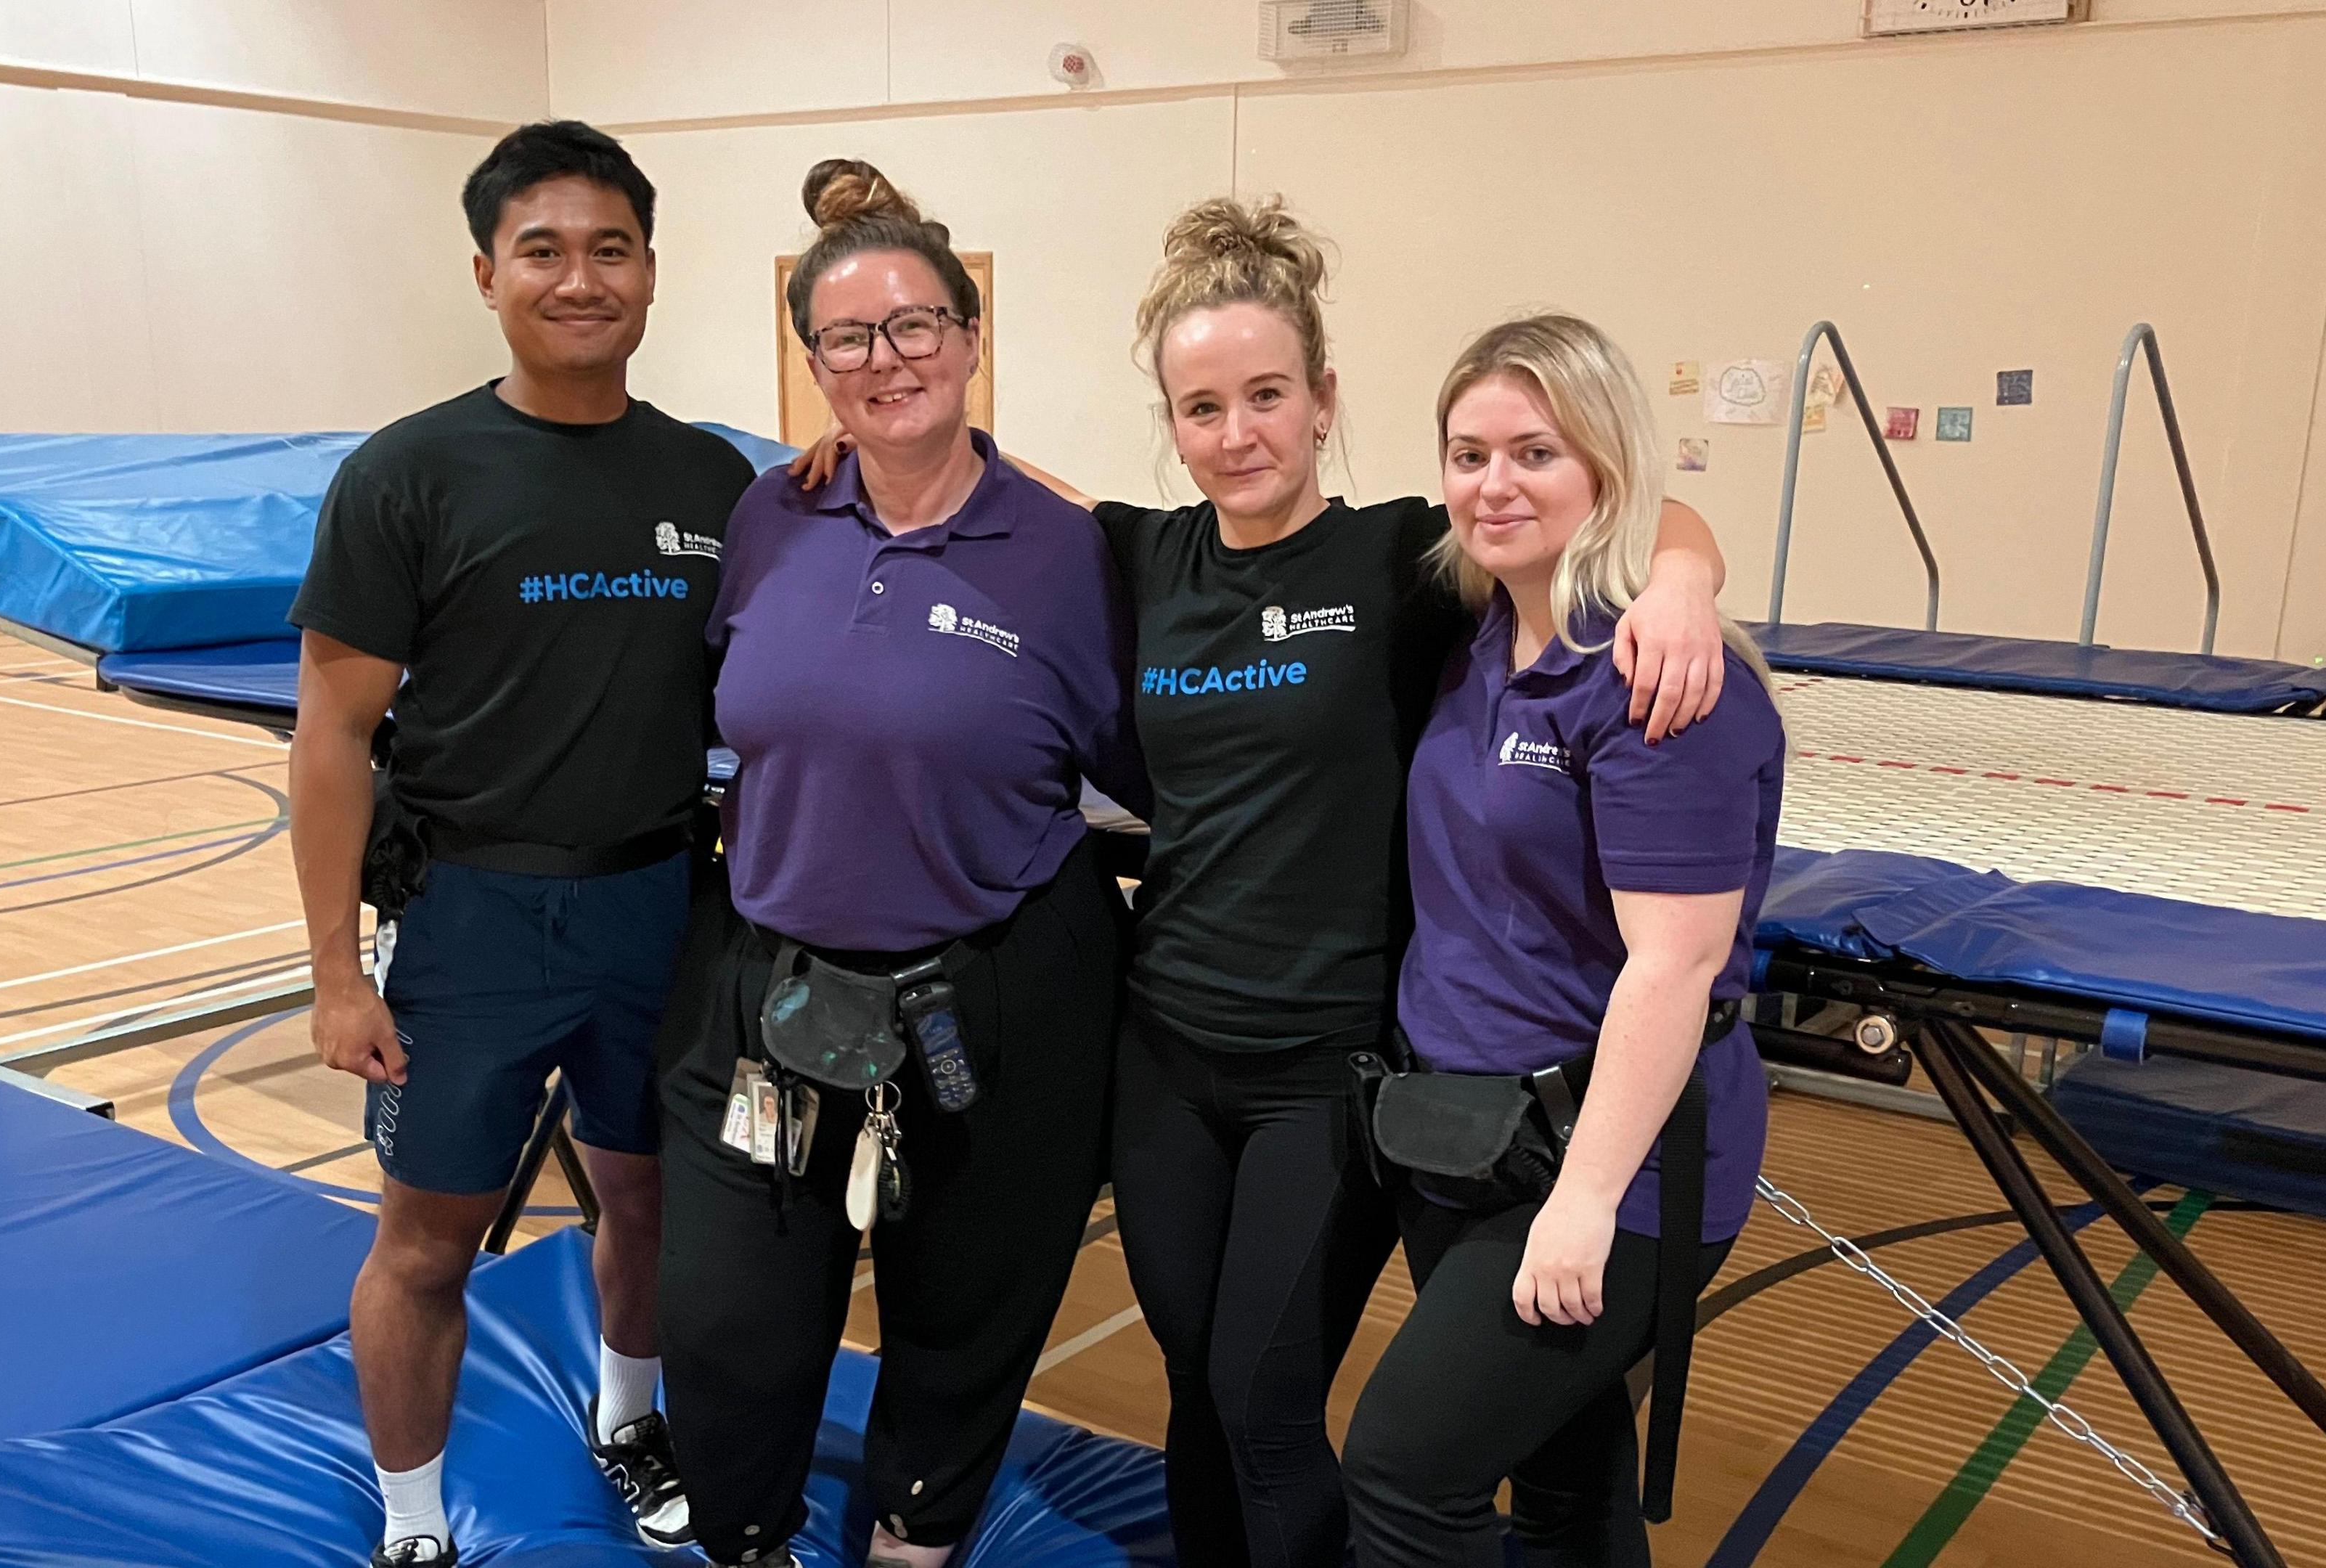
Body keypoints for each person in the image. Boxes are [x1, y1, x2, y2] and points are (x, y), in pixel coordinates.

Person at [786, 195, 1732, 1568]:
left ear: (1324, 397)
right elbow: (974, 477)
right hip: (1167, 1053)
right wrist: (857, 433)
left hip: (1330, 1071)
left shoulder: (1407, 558)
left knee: (1263, 1398)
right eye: (1203, 407)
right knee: (1195, 1391)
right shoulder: (1139, 554)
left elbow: (1622, 505)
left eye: (1267, 397)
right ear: (1172, 421)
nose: (1237, 436)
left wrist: (1687, 582)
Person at [655, 159, 1149, 1568]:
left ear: (971, 335)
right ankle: (745, 1537)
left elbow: (1152, 768)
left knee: (965, 1309)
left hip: (1000, 992)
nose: (888, 360)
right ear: (812, 362)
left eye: (918, 325)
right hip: (772, 981)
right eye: (850, 337)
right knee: (734, 1317)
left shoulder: (1072, 555)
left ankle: (912, 1544)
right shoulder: (770, 518)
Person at [287, 121, 751, 1568]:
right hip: (475, 919)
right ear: (487, 272)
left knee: (651, 1201)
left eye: (609, 249)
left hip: (660, 908)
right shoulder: (408, 474)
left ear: (652, 273)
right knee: (426, 1246)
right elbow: (330, 736)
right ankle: (414, 1519)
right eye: (543, 250)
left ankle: (631, 1420)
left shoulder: (712, 482)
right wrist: (331, 977)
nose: (578, 277)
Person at [1337, 314, 1782, 1568]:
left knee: (1403, 1478)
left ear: (1605, 470)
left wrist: (1583, 1204)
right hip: (1468, 1133)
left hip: (1609, 1164)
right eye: (1468, 454)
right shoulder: (1480, 636)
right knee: (1570, 1481)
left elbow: (1675, 965)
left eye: (1536, 452)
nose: (1495, 485)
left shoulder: (1657, 682)